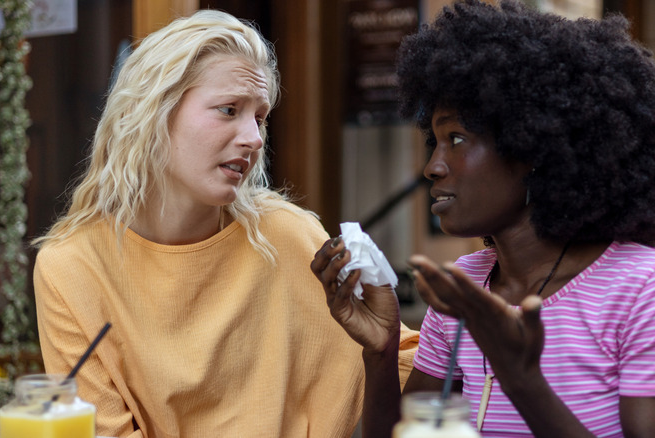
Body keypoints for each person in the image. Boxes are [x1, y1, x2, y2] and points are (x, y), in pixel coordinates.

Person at [311, 1, 655, 437]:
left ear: (533, 150)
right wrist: (383, 349)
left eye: (457, 139)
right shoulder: (467, 281)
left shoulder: (653, 287)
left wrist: (522, 378)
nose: (433, 167)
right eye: (435, 142)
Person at [32, 10, 417, 438]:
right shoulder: (72, 267)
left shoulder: (289, 236)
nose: (253, 138)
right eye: (229, 109)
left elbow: (420, 385)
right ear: (152, 112)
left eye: (260, 117)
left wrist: (385, 345)